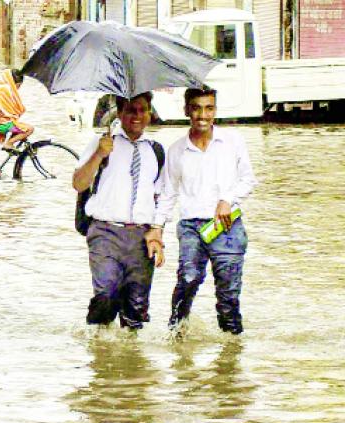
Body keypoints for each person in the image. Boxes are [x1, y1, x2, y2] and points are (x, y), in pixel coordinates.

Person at [150, 87, 258, 335]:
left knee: (228, 294)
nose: (203, 115)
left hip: (227, 226)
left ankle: (230, 354)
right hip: (191, 227)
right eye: (197, 108)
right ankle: (176, 334)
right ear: (186, 110)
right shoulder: (176, 150)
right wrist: (156, 229)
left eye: (209, 108)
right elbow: (168, 193)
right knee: (188, 279)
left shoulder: (232, 141)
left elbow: (248, 180)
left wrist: (227, 200)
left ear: (215, 110)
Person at [72, 92, 166, 330]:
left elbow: (161, 196)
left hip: (141, 237)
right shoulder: (102, 143)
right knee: (105, 293)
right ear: (120, 112)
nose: (137, 116)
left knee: (136, 311)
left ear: (149, 113)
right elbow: (79, 183)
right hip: (105, 232)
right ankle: (98, 350)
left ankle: (129, 359)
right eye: (130, 110)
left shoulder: (155, 151)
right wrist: (99, 154)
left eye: (142, 110)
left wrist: (157, 233)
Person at [0, 69, 34, 151]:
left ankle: (10, 144)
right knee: (30, 129)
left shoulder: (0, 88)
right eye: (18, 86)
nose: (18, 88)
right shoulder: (7, 90)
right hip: (2, 124)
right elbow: (16, 109)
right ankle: (9, 143)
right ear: (16, 84)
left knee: (19, 127)